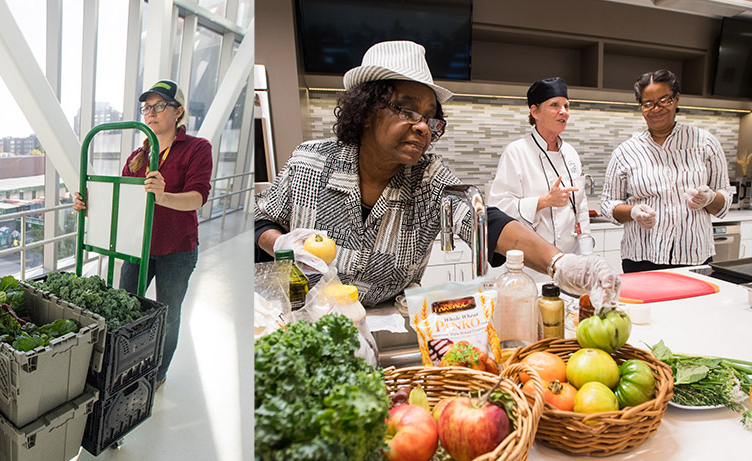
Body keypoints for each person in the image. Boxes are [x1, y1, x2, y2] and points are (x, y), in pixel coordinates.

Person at [254, 40, 620, 308]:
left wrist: (561, 263)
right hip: (306, 322)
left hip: (385, 319)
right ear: (366, 111)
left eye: (430, 117)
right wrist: (279, 244)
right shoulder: (310, 162)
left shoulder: (427, 177)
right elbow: (258, 223)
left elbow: (484, 219)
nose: (423, 127)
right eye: (407, 110)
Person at [74, 79, 213, 388]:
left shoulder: (197, 148)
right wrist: (89, 205)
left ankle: (158, 373)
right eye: (147, 107)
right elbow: (124, 203)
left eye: (160, 105)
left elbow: (198, 198)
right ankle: (122, 366)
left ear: (178, 112)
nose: (151, 112)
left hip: (177, 249)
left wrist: (163, 196)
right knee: (125, 306)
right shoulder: (137, 157)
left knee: (169, 313)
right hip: (136, 246)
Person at [599, 69, 730, 273]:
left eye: (664, 100)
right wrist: (633, 212)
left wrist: (710, 198)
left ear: (676, 99)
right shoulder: (625, 152)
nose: (656, 109)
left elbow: (725, 198)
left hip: (694, 257)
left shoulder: (705, 143)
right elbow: (607, 205)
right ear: (641, 107)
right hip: (641, 258)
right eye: (648, 103)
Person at [487, 77, 592, 270]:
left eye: (566, 106)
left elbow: (581, 207)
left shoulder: (571, 153)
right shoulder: (517, 151)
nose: (564, 112)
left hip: (571, 262)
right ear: (534, 111)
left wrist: (587, 258)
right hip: (530, 265)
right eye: (555, 105)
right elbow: (497, 210)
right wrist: (543, 202)